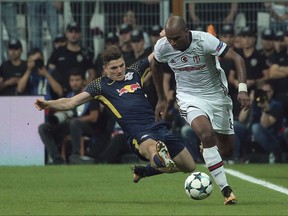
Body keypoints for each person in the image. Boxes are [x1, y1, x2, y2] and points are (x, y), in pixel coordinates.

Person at [35, 45, 196, 184]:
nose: (119, 70)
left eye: (121, 65)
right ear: (105, 69)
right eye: (114, 68)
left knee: (189, 166)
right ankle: (158, 156)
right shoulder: (100, 86)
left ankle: (145, 171)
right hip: (138, 134)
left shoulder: (135, 72)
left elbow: (157, 54)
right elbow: (71, 102)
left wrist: (166, 35)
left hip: (158, 126)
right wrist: (49, 104)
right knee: (153, 150)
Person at [151, 16, 250, 205]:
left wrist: (243, 89)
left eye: (176, 38)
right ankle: (226, 190)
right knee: (205, 133)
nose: (172, 43)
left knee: (227, 150)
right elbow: (155, 64)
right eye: (169, 38)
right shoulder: (162, 46)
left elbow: (238, 58)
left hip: (217, 97)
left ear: (187, 32)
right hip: (189, 97)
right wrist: (162, 98)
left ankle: (207, 149)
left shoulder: (205, 40)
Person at [38, 68, 101, 164]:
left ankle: (76, 156)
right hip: (70, 125)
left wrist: (75, 119)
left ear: (83, 81)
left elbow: (94, 117)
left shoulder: (90, 95)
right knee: (43, 127)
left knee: (74, 123)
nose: (74, 83)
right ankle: (57, 159)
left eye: (77, 80)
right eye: (72, 80)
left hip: (88, 127)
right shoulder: (68, 95)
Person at [48, 22, 96, 96]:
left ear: (80, 34)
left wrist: (86, 84)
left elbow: (92, 73)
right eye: (71, 32)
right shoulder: (58, 52)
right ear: (66, 34)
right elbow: (51, 71)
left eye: (76, 32)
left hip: (80, 94)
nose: (73, 35)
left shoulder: (86, 53)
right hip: (60, 94)